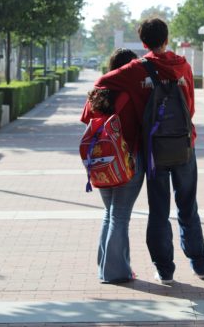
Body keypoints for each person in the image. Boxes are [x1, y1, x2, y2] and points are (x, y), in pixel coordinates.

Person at [93, 18, 204, 284]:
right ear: (167, 38)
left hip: (154, 150)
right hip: (184, 145)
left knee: (159, 210)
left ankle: (165, 269)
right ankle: (200, 265)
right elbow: (190, 107)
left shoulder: (137, 69)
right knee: (188, 206)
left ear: (143, 42)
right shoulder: (183, 66)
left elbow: (102, 82)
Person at [81, 48, 144, 284]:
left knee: (110, 213)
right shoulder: (132, 93)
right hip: (127, 161)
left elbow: (86, 123)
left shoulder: (98, 92)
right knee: (119, 216)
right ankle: (115, 272)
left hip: (100, 162)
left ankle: (109, 267)